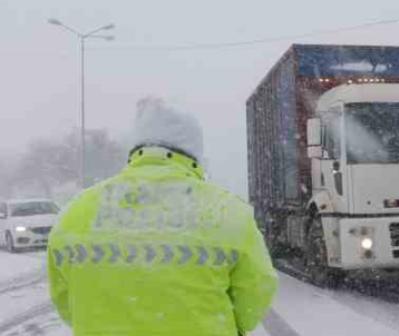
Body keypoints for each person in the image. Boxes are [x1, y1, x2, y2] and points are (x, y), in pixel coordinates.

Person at [47, 97, 278, 336]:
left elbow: (66, 301)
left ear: (136, 148)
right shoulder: (228, 212)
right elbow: (256, 290)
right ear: (194, 152)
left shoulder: (75, 213)